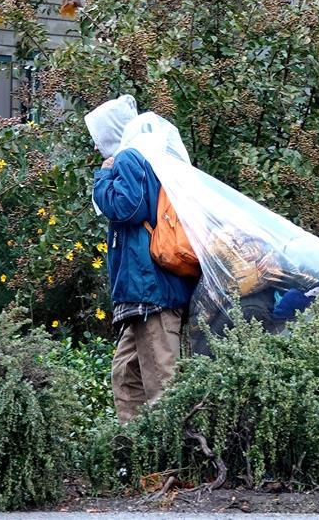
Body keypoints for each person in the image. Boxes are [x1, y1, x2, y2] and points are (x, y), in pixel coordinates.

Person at [85, 95, 196, 424]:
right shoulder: (148, 156)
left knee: (162, 384)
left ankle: (172, 450)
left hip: (151, 291)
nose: (95, 147)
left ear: (111, 133)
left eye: (97, 138)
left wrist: (103, 177)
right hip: (143, 293)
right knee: (126, 374)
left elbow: (127, 207)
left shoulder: (131, 157)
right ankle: (132, 447)